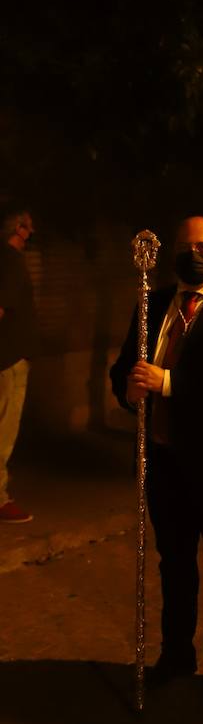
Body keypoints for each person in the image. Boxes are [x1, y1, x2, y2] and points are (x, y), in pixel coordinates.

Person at [110, 216, 203, 703]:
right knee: (173, 561)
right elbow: (124, 370)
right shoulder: (153, 304)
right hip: (165, 457)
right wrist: (131, 390)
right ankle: (176, 651)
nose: (193, 254)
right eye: (185, 246)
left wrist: (170, 384)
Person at [0, 208, 38, 524]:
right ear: (17, 227)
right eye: (28, 224)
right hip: (8, 361)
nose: (33, 231)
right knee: (3, 434)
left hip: (8, 358)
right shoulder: (10, 262)